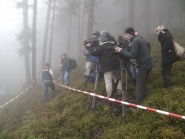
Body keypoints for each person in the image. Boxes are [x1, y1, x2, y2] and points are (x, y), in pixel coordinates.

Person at [115, 27, 154, 105]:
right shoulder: (140, 39)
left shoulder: (135, 41)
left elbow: (133, 54)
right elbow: (142, 53)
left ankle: (138, 105)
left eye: (126, 34)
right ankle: (147, 95)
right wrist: (138, 63)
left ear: (131, 34)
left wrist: (121, 50)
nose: (125, 36)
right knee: (141, 82)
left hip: (144, 66)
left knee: (139, 85)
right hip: (148, 64)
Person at [86, 31, 122, 98]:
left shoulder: (101, 47)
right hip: (116, 64)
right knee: (117, 78)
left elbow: (93, 53)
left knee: (108, 81)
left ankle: (109, 95)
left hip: (107, 67)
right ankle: (120, 91)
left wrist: (89, 47)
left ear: (102, 40)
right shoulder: (113, 43)